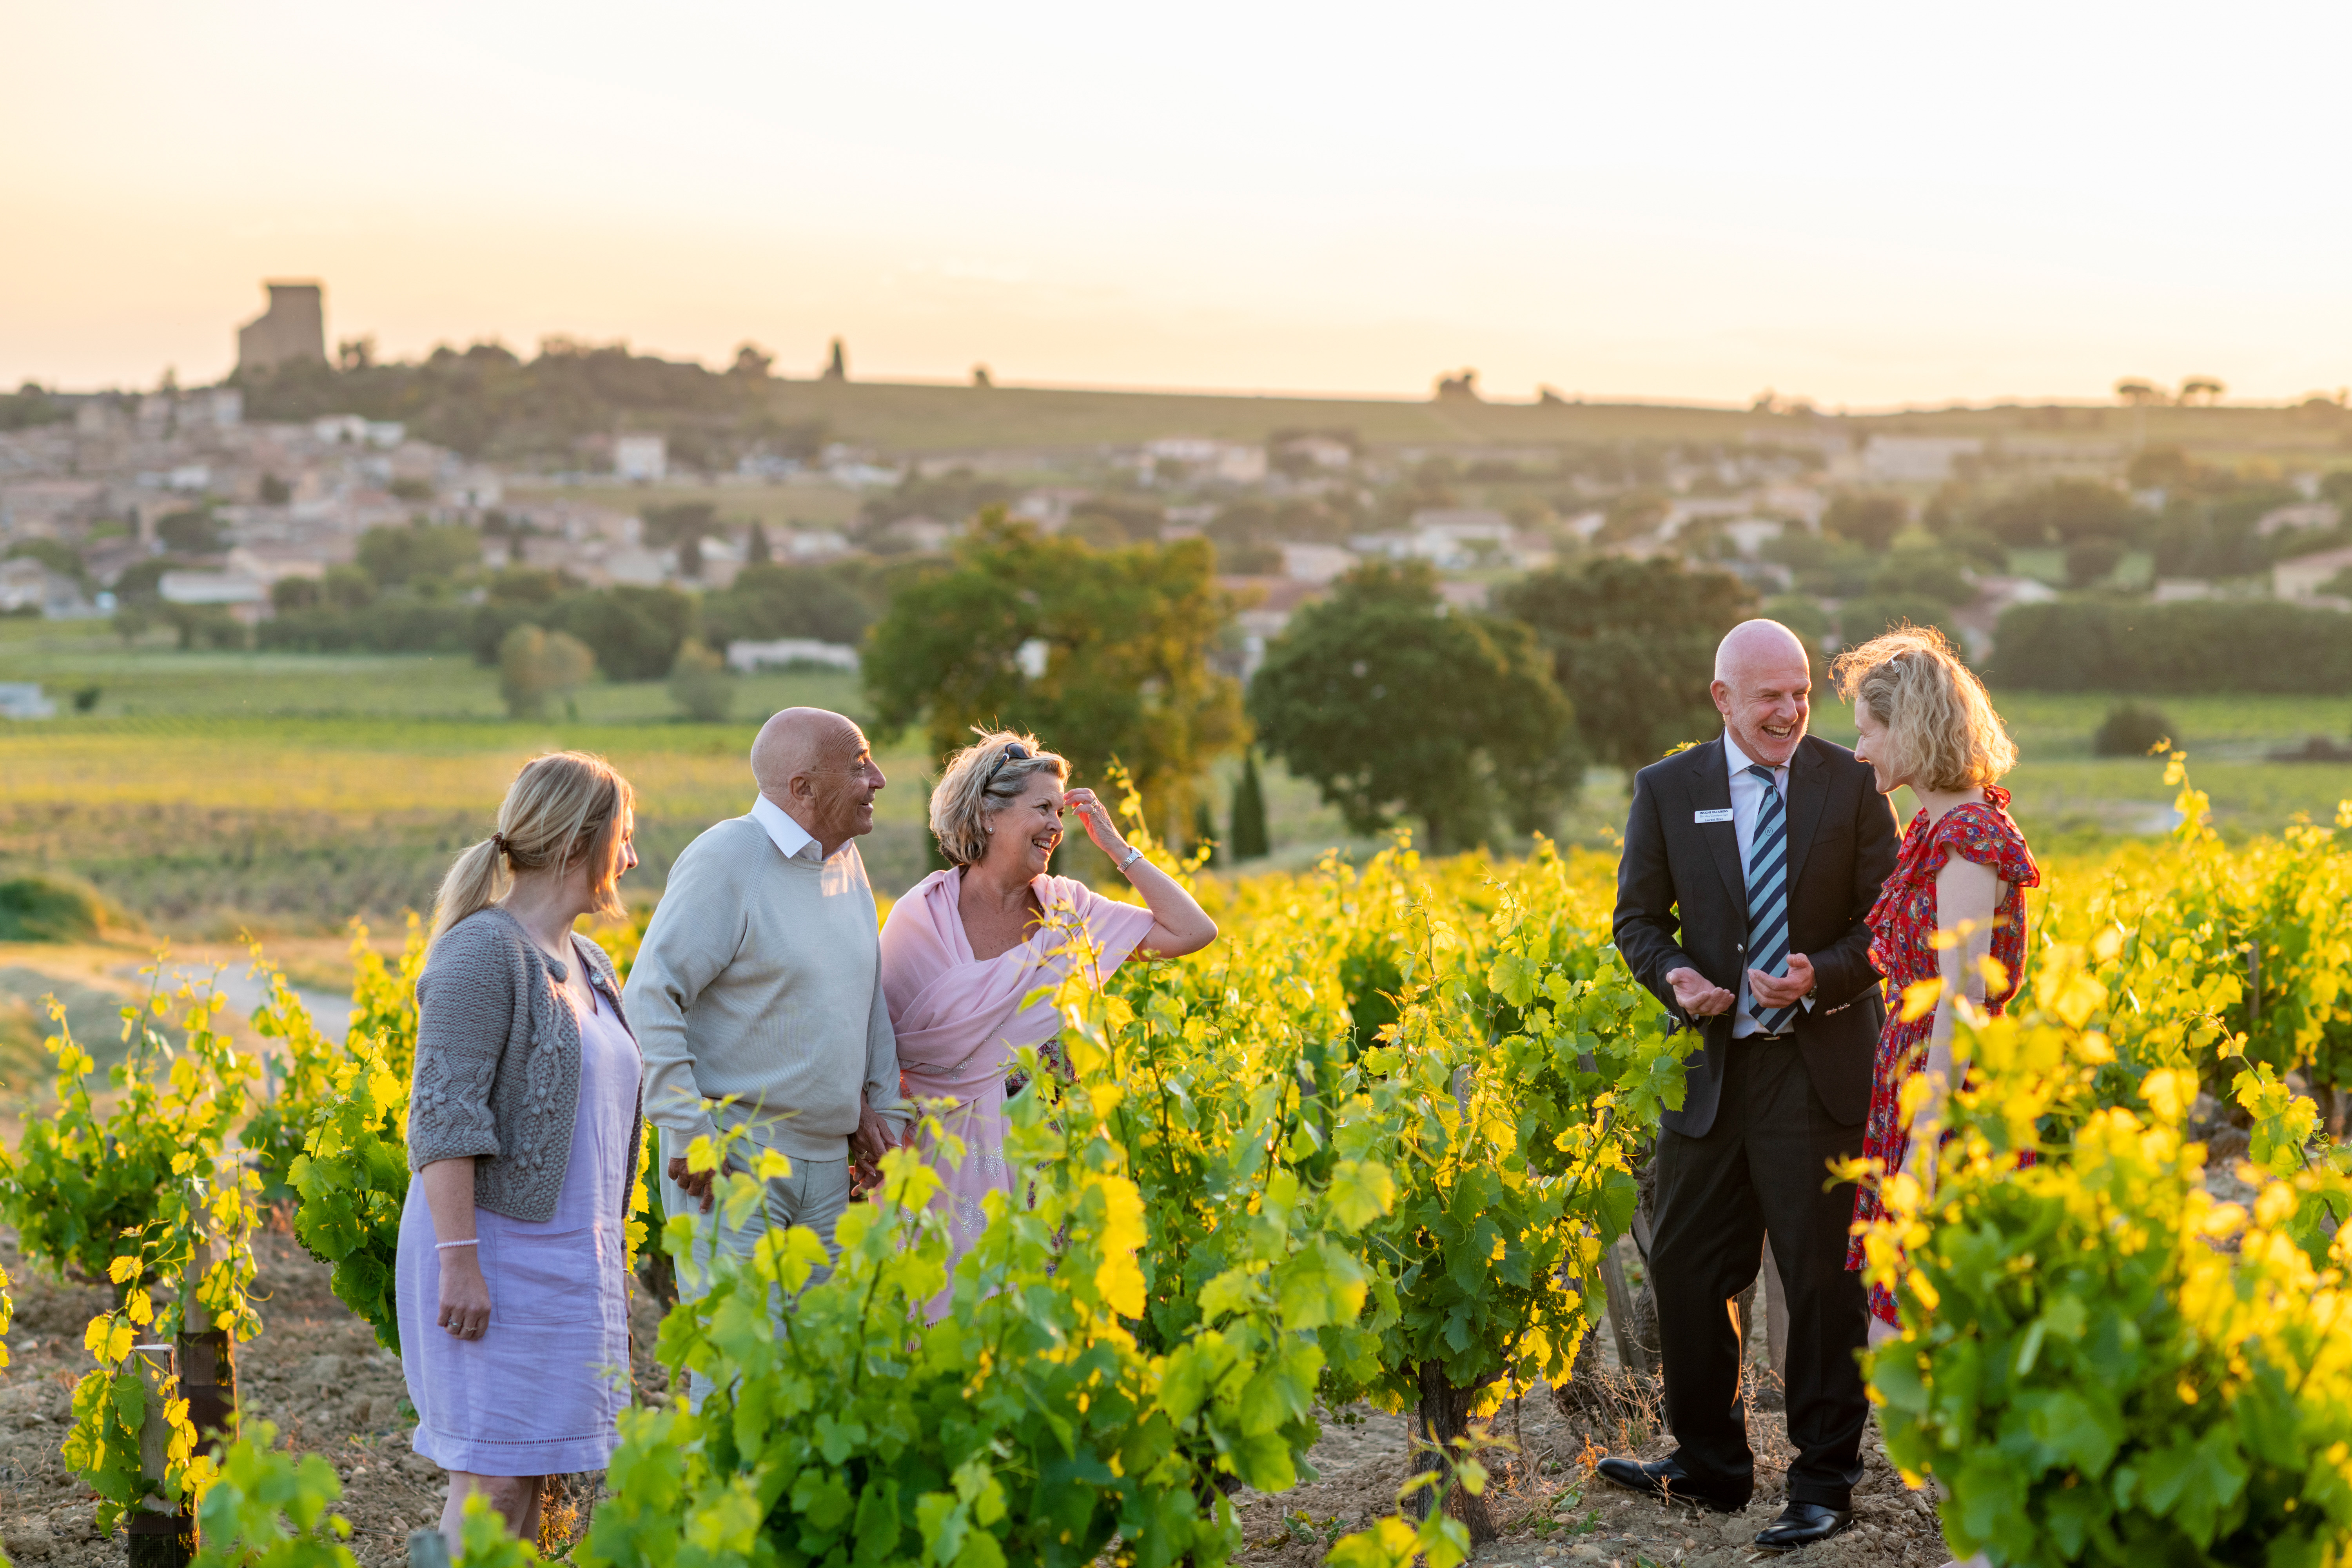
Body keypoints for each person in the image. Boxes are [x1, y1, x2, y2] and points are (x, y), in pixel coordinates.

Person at [1603, 619, 1902, 1551]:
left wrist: (1823, 972)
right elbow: (1638, 920)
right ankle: (1710, 1466)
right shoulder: (1667, 788)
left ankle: (1823, 1482)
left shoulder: (1850, 786)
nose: (1790, 710)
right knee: (1688, 1269)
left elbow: (1885, 925)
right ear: (1723, 699)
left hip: (1815, 1073)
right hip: (1711, 1071)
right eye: (1769, 695)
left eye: (1801, 691)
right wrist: (1677, 979)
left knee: (1819, 1283)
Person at [878, 731, 1218, 1309]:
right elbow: (882, 1048)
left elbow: (1193, 932)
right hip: (946, 1163)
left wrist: (1118, 848)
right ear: (987, 815)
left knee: (1055, 1333)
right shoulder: (922, 917)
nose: (1056, 826)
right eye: (1043, 808)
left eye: (1060, 812)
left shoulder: (1070, 909)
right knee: (960, 1336)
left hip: (1054, 1159)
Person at [399, 750, 643, 1539]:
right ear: (581, 842)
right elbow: (443, 1116)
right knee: (493, 1484)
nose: (633, 857)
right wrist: (460, 1259)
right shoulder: (482, 951)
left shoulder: (593, 963)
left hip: (570, 1262)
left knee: (531, 1479)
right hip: (494, 1256)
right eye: (625, 836)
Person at [624, 708, 909, 1301]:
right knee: (738, 1372)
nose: (879, 778)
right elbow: (652, 996)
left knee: (822, 1367)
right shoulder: (728, 858)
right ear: (802, 789)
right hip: (732, 1165)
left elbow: (864, 1001)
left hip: (830, 1170)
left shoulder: (845, 864)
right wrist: (688, 1129)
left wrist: (881, 1112)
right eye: (859, 766)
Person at [1836, 628, 2037, 1344]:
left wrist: (1926, 1142)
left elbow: (1960, 999)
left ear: (1911, 730)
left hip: (1950, 1086)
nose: (1858, 752)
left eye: (1868, 733)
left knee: (1920, 1328)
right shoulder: (1936, 826)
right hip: (1917, 1075)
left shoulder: (1967, 840)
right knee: (1914, 1324)